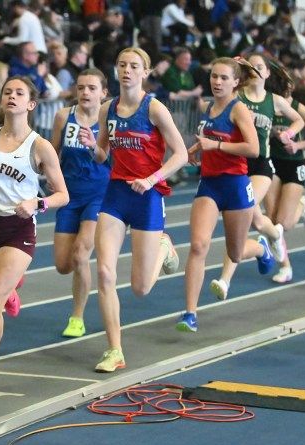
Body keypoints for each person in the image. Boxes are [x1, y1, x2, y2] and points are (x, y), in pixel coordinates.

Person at [0, 76, 69, 396]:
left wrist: (39, 202)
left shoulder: (40, 146)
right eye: (7, 91)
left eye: (19, 93)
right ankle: (9, 288)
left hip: (17, 229)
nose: (11, 96)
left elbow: (63, 194)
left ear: (31, 104)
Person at [85, 47, 188, 372]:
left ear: (145, 72)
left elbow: (182, 154)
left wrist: (152, 177)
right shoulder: (107, 109)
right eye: (122, 64)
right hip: (116, 194)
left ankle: (163, 246)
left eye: (134, 66)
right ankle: (114, 350)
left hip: (147, 196)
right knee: (103, 272)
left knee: (141, 288)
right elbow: (103, 153)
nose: (127, 70)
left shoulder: (154, 108)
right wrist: (93, 149)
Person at [211, 53, 304, 301]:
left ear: (266, 73)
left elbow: (299, 120)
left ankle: (225, 280)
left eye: (259, 66)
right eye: (250, 67)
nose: (254, 70)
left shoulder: (273, 100)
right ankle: (274, 238)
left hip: (261, 167)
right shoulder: (237, 99)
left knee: (244, 217)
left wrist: (289, 134)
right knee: (258, 222)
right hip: (238, 165)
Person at [177, 57, 260, 332]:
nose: (217, 82)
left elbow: (253, 148)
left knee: (234, 254)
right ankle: (190, 313)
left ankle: (261, 248)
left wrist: (217, 146)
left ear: (236, 82)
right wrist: (195, 149)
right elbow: (206, 139)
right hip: (210, 184)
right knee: (198, 246)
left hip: (236, 185)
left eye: (224, 77)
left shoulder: (239, 111)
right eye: (214, 76)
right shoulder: (207, 106)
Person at [51, 68, 109, 338]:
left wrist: (91, 145)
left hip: (99, 194)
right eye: (81, 87)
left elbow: (106, 158)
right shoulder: (64, 116)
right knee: (63, 265)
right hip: (69, 195)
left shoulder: (108, 120)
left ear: (103, 93)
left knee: (80, 254)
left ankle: (77, 316)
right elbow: (52, 152)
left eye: (92, 88)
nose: (86, 92)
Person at [264, 79, 305, 283]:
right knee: (273, 221)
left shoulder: (299, 109)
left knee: (285, 223)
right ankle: (285, 267)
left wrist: (297, 146)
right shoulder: (268, 104)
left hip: (293, 164)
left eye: (289, 88)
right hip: (271, 163)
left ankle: (303, 205)